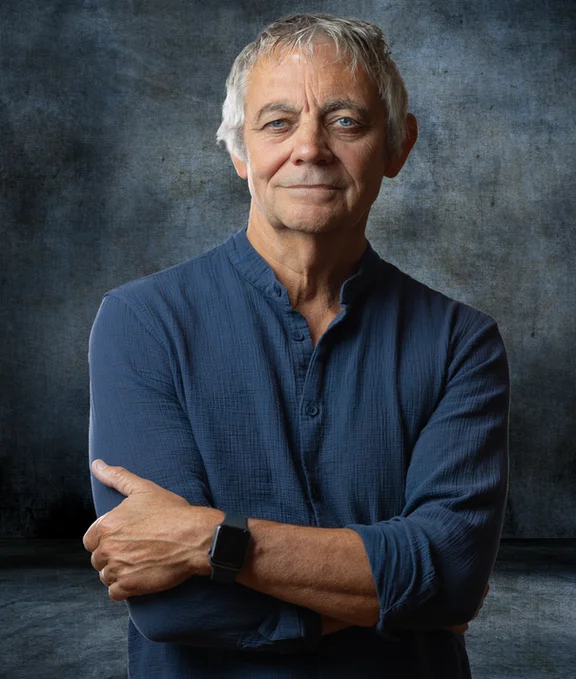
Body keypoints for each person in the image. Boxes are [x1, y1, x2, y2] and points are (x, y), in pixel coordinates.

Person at [83, 12, 509, 679]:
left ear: (399, 146)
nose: (308, 148)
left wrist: (206, 540)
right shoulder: (141, 322)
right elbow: (171, 607)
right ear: (239, 150)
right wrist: (400, 595)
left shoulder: (462, 342)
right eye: (278, 122)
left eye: (346, 121)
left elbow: (453, 572)